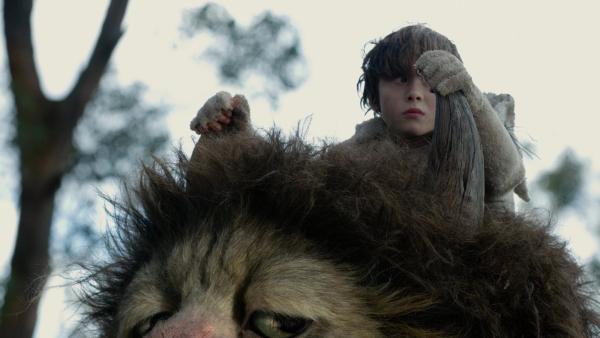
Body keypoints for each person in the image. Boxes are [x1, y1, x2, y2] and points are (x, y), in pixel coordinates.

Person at [190, 24, 529, 212]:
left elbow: (505, 175)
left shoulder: (478, 133)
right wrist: (233, 135)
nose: (414, 92)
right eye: (399, 79)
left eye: (430, 81)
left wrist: (467, 93)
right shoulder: (355, 154)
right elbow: (287, 190)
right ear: (376, 98)